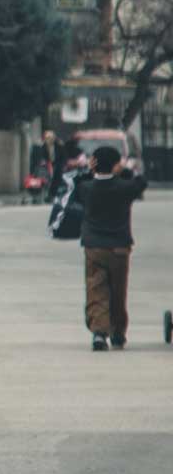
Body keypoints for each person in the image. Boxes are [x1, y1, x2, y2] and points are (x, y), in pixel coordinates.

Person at [81, 146, 148, 352]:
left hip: (94, 247)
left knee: (96, 289)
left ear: (95, 164)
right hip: (119, 247)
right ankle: (118, 332)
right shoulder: (124, 188)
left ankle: (100, 333)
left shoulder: (87, 188)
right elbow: (141, 183)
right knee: (118, 291)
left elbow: (72, 184)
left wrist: (87, 171)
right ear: (116, 165)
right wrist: (126, 170)